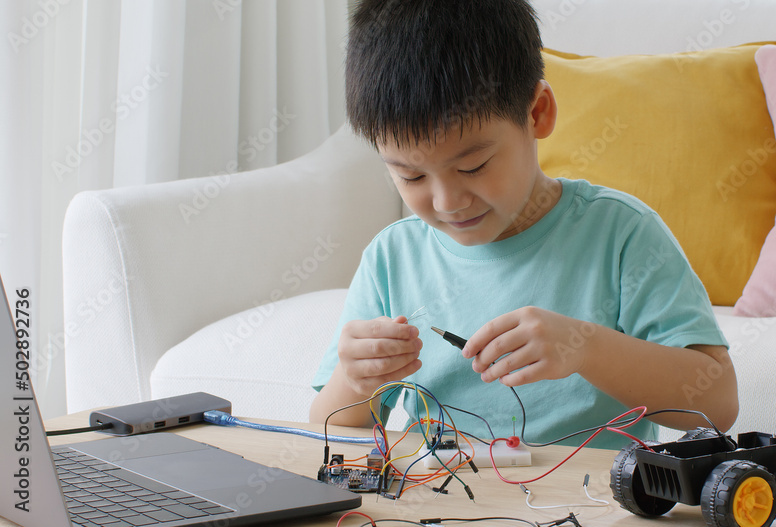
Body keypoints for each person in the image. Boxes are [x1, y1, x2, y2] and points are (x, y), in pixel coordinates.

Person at [309, 0, 738, 449]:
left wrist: (584, 346)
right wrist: (357, 380)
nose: (446, 202)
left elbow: (719, 405)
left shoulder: (622, 235)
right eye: (411, 176)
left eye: (473, 166)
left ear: (537, 113)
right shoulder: (391, 259)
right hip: (440, 500)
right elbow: (328, 428)